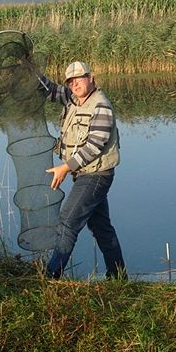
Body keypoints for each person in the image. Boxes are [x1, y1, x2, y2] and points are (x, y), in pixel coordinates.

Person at [39, 61, 126, 279]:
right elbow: (49, 90)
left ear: (91, 77)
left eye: (79, 79)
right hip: (84, 175)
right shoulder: (72, 98)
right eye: (70, 81)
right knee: (101, 228)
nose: (75, 84)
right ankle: (118, 277)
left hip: (96, 176)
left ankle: (51, 276)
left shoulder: (101, 106)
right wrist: (29, 69)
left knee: (68, 221)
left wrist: (65, 168)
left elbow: (94, 146)